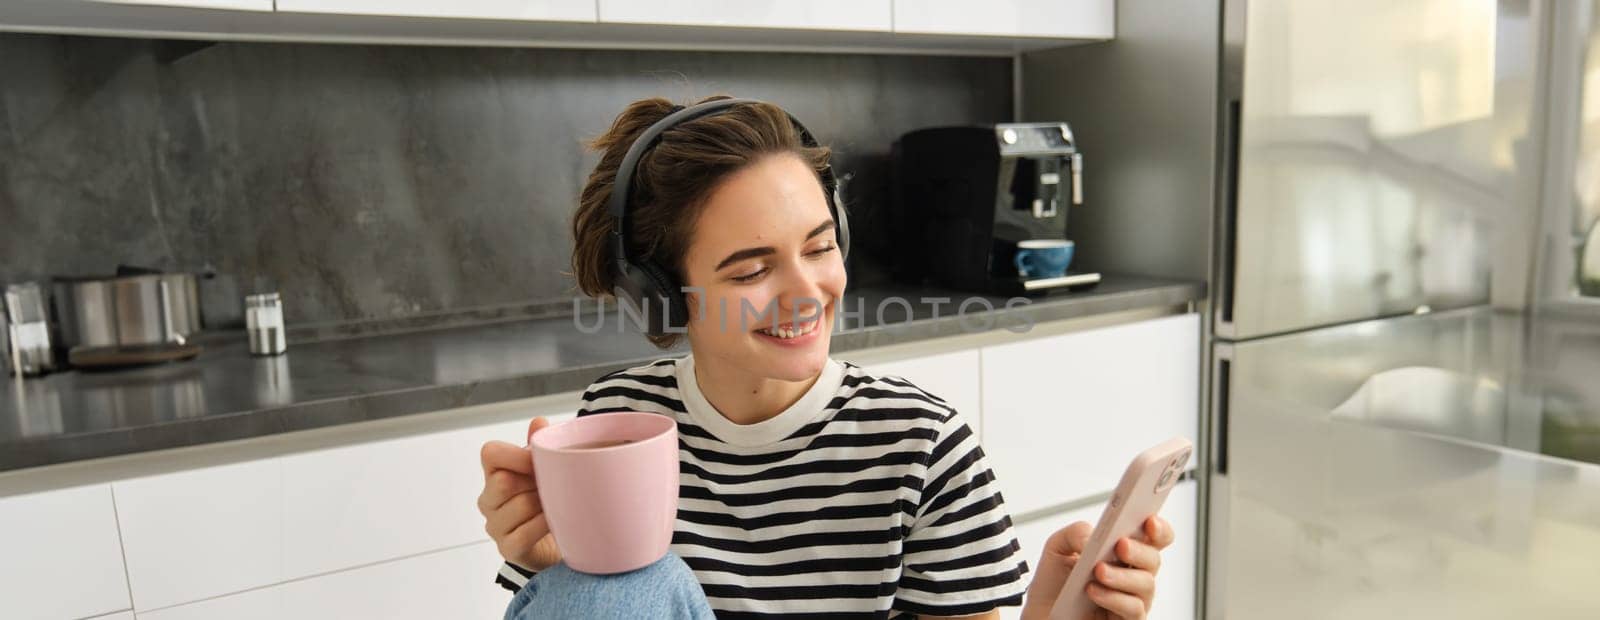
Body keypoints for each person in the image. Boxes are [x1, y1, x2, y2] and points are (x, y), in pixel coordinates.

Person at [478, 95, 1175, 619]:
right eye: (752, 271)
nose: (807, 292)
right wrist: (557, 567)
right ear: (661, 293)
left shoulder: (921, 445)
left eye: (818, 247)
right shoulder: (618, 422)